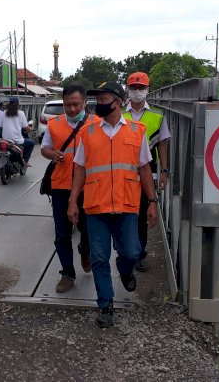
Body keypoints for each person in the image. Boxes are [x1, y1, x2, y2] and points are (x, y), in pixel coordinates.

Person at [67, 81, 158, 328]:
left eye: (104, 99)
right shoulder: (88, 132)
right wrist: (73, 200)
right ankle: (105, 304)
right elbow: (80, 169)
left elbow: (145, 168)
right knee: (98, 258)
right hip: (96, 206)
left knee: (131, 252)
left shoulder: (136, 131)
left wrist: (152, 201)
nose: (99, 104)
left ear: (117, 102)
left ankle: (125, 270)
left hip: (127, 205)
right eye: (97, 100)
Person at [40, 83, 98, 293]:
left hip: (89, 186)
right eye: (68, 105)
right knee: (62, 233)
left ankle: (85, 250)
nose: (72, 109)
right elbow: (44, 148)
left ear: (84, 103)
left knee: (89, 229)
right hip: (61, 185)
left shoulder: (96, 124)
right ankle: (67, 273)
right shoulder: (54, 124)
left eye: (76, 104)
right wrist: (52, 154)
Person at [123, 71, 171, 272]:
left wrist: (164, 171)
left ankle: (139, 255)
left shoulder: (157, 116)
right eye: (133, 88)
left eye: (141, 88)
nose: (137, 91)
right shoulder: (119, 114)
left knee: (142, 216)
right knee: (126, 216)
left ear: (147, 90)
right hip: (123, 174)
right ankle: (125, 252)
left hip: (147, 174)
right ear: (128, 89)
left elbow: (162, 144)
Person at [1, 96, 34, 166]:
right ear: (18, 104)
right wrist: (30, 129)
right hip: (17, 140)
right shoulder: (21, 113)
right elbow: (26, 127)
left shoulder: (4, 113)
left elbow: (0, 125)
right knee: (31, 143)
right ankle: (25, 161)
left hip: (5, 140)